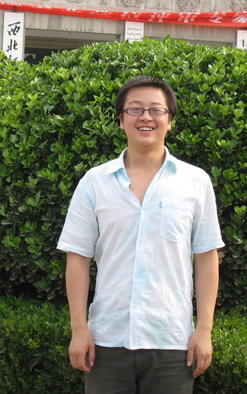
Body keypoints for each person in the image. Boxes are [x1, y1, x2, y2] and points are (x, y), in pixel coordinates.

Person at [57, 75, 224, 394]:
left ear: (169, 121)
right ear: (121, 120)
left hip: (172, 342)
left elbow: (206, 258)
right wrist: (79, 329)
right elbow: (77, 258)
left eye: (156, 110)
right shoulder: (94, 182)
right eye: (135, 109)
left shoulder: (195, 182)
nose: (146, 117)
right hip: (107, 342)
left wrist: (204, 330)